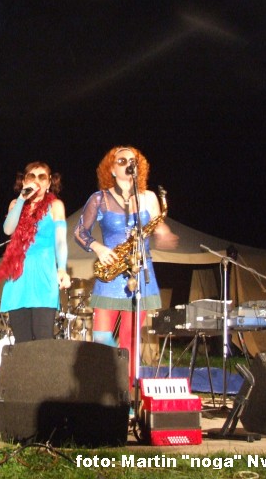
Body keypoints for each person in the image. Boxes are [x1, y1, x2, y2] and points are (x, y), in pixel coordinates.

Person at [74, 145, 177, 392]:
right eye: (121, 160)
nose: (128, 164)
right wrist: (98, 248)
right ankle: (107, 381)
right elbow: (80, 231)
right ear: (111, 168)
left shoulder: (149, 197)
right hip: (111, 274)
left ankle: (126, 396)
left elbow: (158, 226)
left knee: (131, 341)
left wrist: (164, 233)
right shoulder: (99, 198)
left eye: (133, 161)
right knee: (101, 338)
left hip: (139, 272)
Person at [0, 161, 71, 433]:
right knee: (22, 344)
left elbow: (61, 241)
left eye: (42, 177)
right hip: (18, 279)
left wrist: (62, 269)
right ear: (23, 180)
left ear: (49, 182)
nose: (36, 180)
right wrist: (22, 200)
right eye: (31, 176)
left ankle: (47, 408)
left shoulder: (56, 206)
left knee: (43, 341)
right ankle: (26, 410)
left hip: (43, 276)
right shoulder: (16, 204)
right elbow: (8, 230)